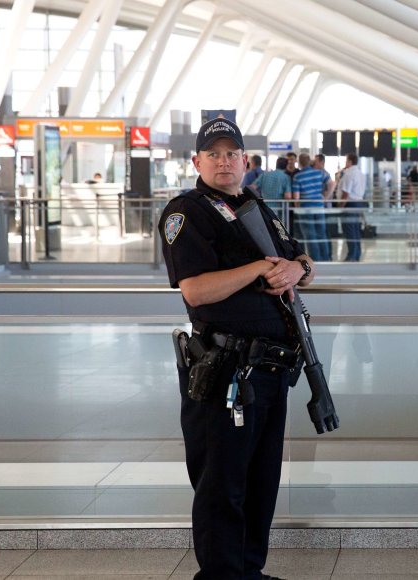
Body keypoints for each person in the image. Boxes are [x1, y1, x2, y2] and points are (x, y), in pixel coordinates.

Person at [158, 115, 315, 580]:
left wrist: (297, 270)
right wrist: (258, 268)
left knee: (261, 482)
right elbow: (196, 291)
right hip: (224, 370)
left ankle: (249, 571)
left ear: (245, 161)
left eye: (231, 154)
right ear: (197, 161)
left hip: (270, 369)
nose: (224, 162)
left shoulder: (254, 207)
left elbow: (301, 258)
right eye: (214, 154)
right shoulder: (186, 213)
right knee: (221, 486)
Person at [291, 152, 330, 262]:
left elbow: (296, 198)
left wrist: (297, 209)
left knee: (310, 237)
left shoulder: (297, 177)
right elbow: (332, 183)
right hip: (319, 207)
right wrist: (325, 197)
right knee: (321, 234)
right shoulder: (319, 173)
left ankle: (316, 261)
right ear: (309, 162)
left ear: (299, 163)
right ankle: (326, 259)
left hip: (305, 209)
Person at [337, 152, 366, 261]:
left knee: (350, 230)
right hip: (358, 203)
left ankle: (351, 256)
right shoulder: (360, 173)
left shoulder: (349, 174)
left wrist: (341, 206)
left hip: (350, 204)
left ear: (350, 161)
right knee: (356, 230)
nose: (345, 163)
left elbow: (346, 193)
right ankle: (357, 254)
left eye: (346, 161)